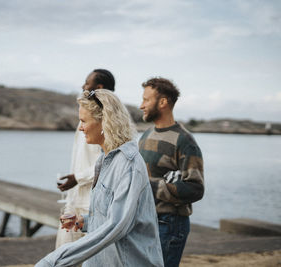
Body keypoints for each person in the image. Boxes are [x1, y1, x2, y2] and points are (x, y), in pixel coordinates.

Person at [36, 89, 164, 267]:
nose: (80, 127)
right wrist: (84, 221)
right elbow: (114, 217)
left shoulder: (129, 165)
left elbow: (116, 226)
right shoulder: (105, 159)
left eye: (83, 121)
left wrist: (53, 261)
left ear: (105, 122)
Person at [138, 77, 204, 267]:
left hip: (170, 224)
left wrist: (149, 185)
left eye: (146, 100)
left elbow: (195, 188)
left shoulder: (185, 141)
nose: (141, 105)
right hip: (146, 221)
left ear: (163, 102)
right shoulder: (145, 135)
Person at [55, 69, 115, 248]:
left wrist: (77, 178)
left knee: (83, 256)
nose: (83, 86)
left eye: (86, 83)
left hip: (91, 205)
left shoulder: (108, 122)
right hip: (75, 200)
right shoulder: (86, 116)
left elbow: (108, 162)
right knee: (63, 255)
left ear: (99, 87)